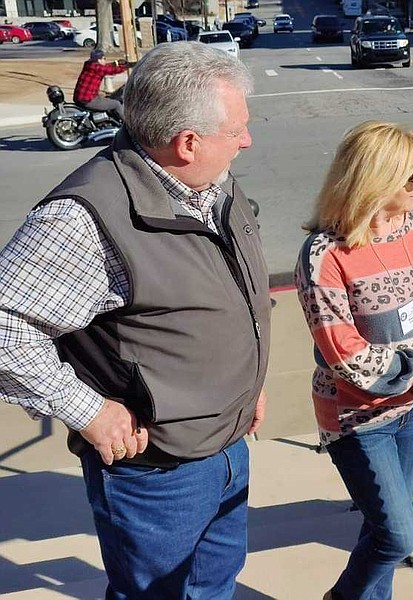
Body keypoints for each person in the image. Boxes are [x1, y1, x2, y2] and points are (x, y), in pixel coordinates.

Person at [0, 41, 270, 599]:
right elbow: (5, 326)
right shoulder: (84, 218)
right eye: (236, 130)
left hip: (227, 443)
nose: (247, 140)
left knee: (215, 584)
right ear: (187, 142)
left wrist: (249, 385)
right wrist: (88, 411)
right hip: (158, 472)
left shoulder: (208, 185)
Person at [294, 120, 413, 600]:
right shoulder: (324, 254)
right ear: (378, 181)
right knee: (399, 534)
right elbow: (345, 356)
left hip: (411, 408)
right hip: (356, 418)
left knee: (382, 530)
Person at [73, 48, 128, 122]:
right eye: (104, 58)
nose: (105, 60)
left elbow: (106, 66)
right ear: (99, 60)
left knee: (109, 98)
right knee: (116, 104)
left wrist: (116, 63)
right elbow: (112, 70)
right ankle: (130, 126)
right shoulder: (97, 68)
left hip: (82, 97)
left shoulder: (90, 64)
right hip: (88, 100)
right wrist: (128, 65)